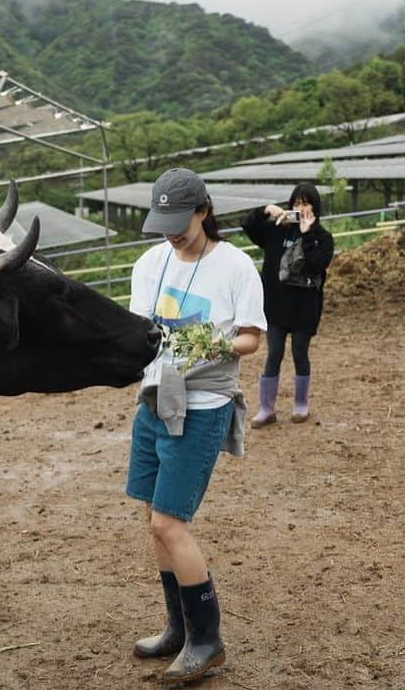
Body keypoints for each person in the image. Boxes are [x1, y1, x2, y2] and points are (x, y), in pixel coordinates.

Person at [126, 168, 266, 683]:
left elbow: (251, 338)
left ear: (204, 211)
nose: (171, 232)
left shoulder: (234, 266)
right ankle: (179, 628)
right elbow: (143, 329)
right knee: (153, 519)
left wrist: (215, 344)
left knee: (169, 521)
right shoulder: (150, 263)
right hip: (155, 399)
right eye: (163, 221)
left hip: (204, 403)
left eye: (179, 221)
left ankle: (208, 639)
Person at [240, 182, 335, 427]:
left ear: (315, 207)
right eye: (296, 203)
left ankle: (301, 404)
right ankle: (266, 408)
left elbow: (316, 264)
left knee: (300, 352)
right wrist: (266, 210)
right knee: (274, 352)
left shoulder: (323, 237)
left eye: (305, 203)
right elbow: (248, 226)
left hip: (305, 305)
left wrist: (306, 234)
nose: (300, 208)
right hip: (276, 303)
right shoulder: (276, 230)